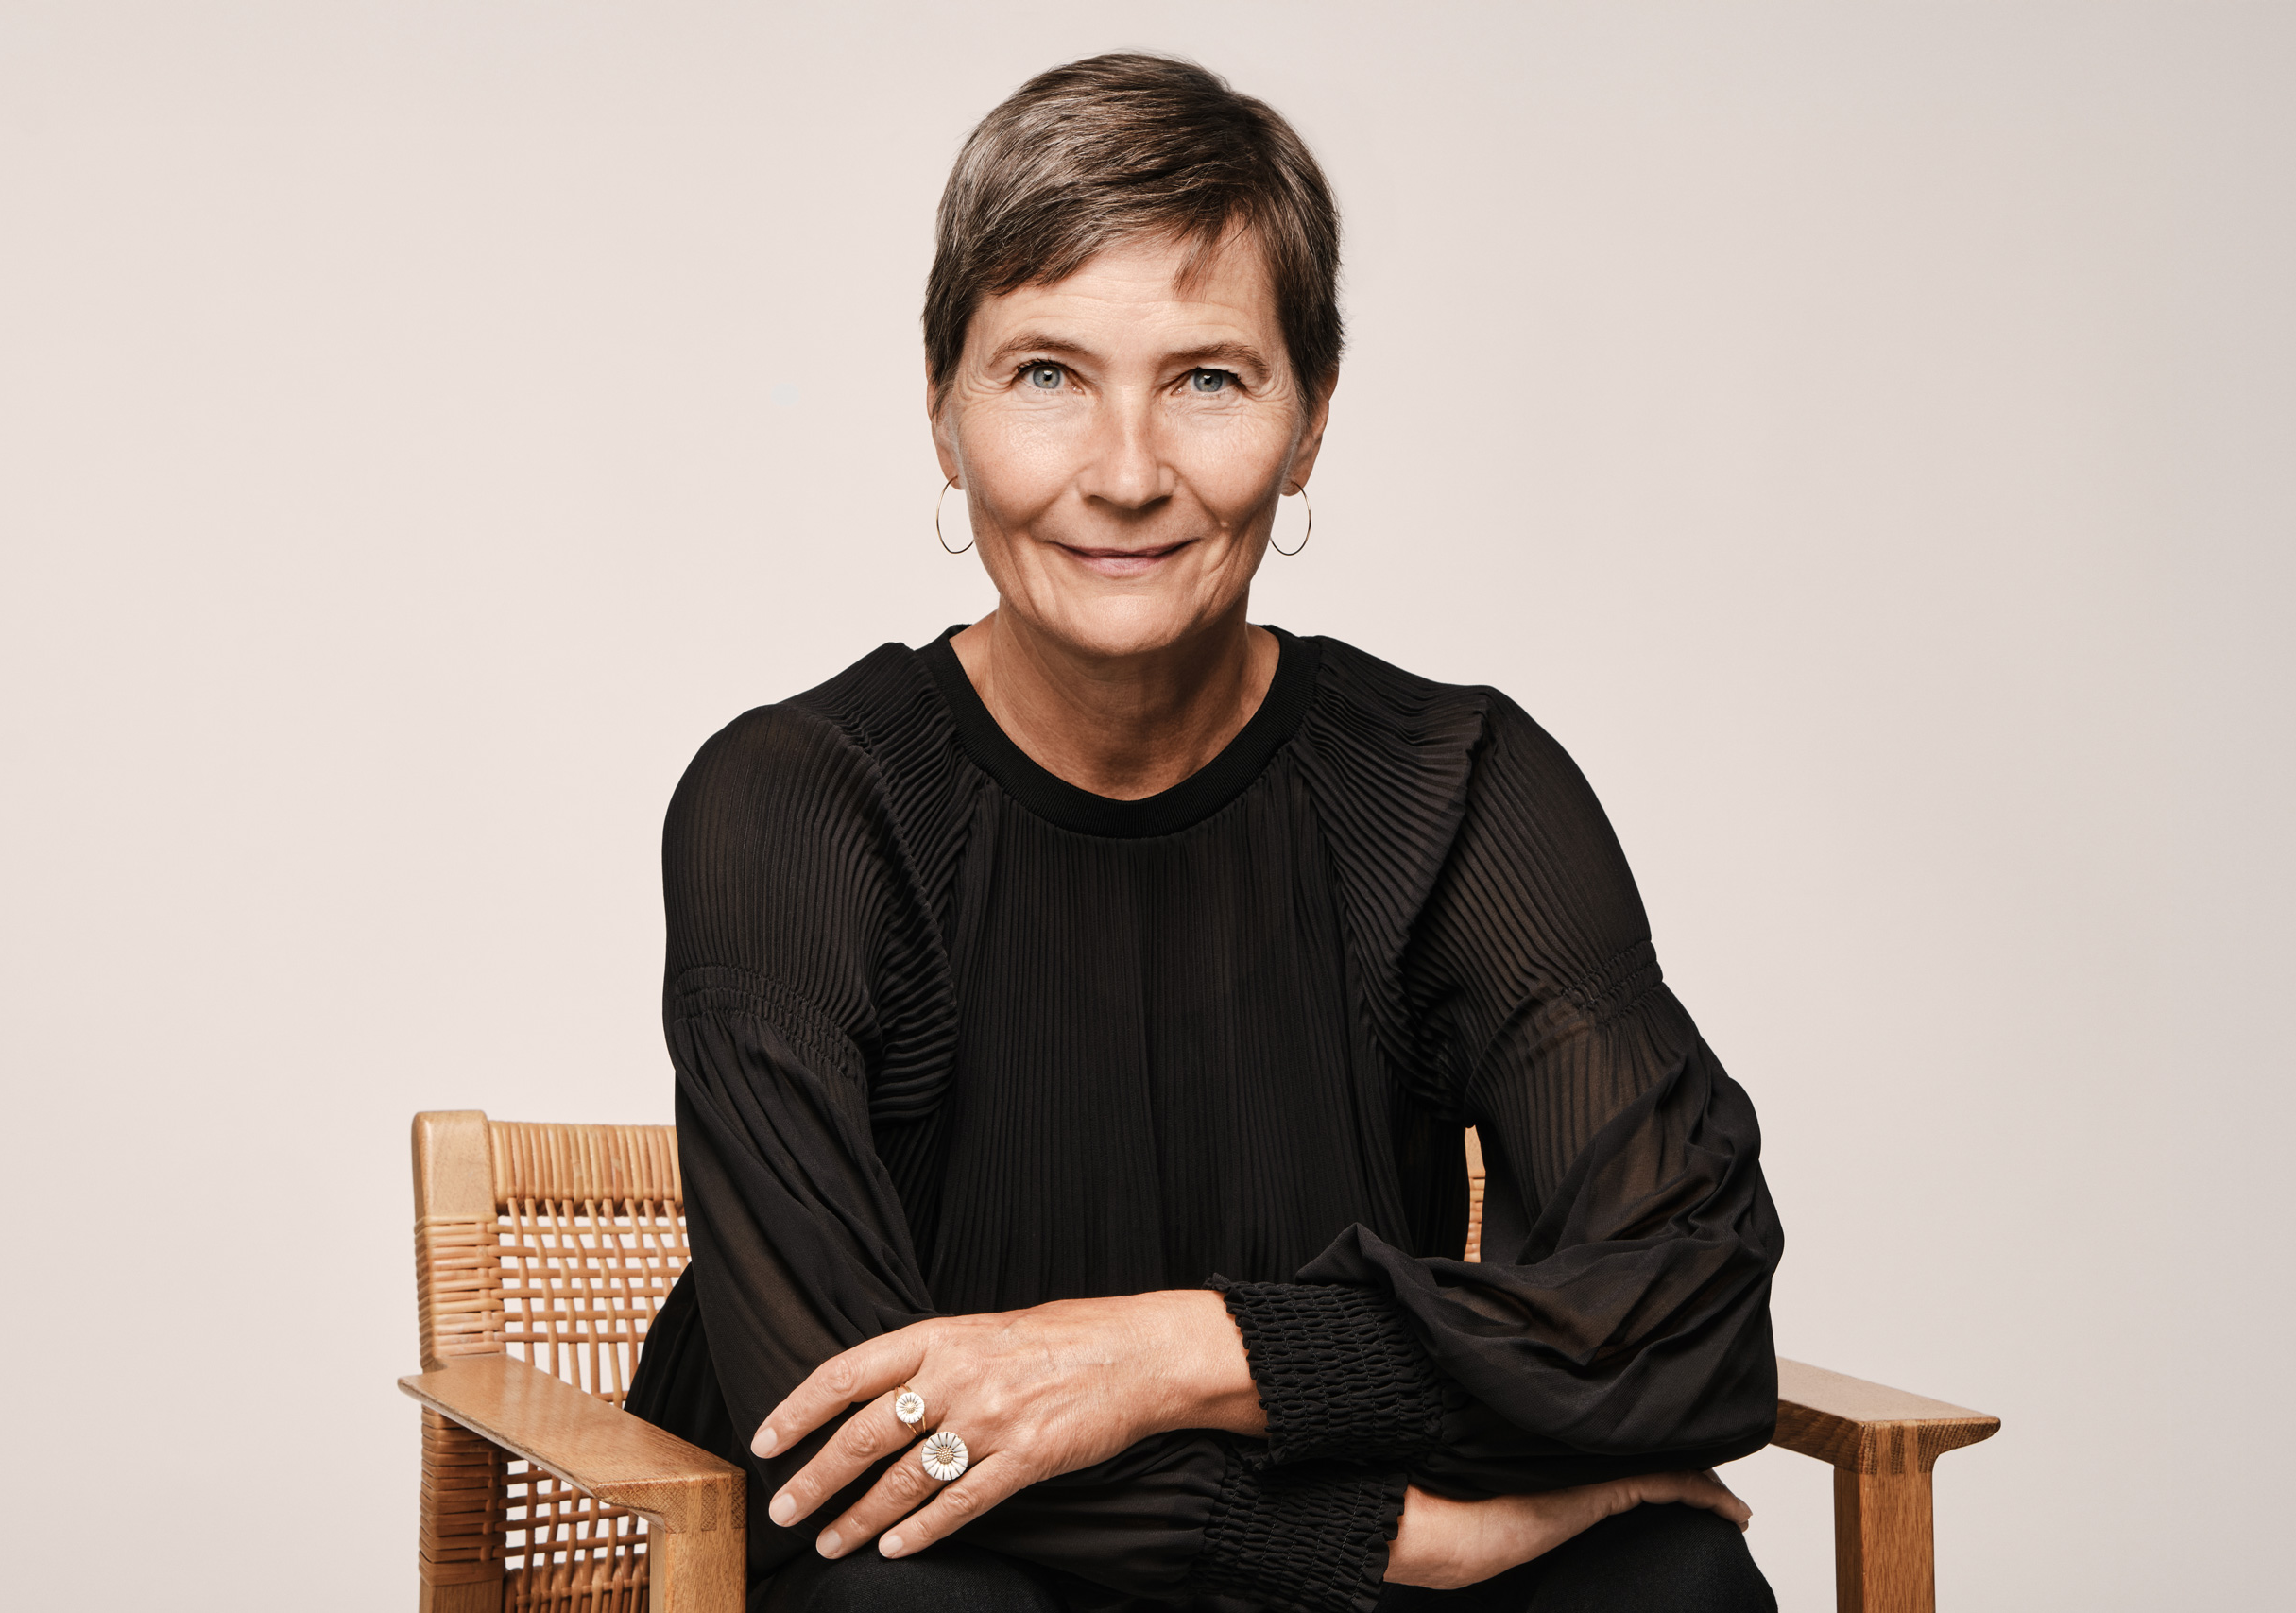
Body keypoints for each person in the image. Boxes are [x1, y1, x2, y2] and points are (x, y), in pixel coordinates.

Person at [625, 52, 1782, 1613]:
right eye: (1045, 375)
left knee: (1674, 1585)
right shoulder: (794, 800)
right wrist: (1384, 1542)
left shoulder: (1458, 788)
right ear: (942, 414)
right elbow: (837, 1425)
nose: (1123, 474)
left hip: (1290, 1513)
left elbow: (1686, 1303)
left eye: (1208, 379)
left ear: (1308, 425)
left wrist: (1170, 1353)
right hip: (949, 1574)